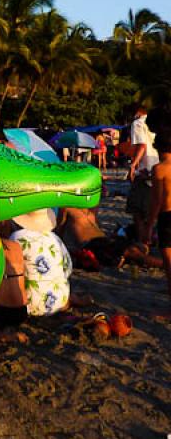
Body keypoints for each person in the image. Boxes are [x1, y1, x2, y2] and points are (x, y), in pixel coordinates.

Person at [57, 206, 162, 270]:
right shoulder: (67, 208)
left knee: (141, 247)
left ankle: (121, 258)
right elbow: (58, 234)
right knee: (132, 252)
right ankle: (165, 265)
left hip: (103, 239)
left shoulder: (90, 205)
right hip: (91, 244)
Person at [146, 130, 171, 315]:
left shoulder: (159, 169)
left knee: (169, 265)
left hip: (167, 217)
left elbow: (157, 201)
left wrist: (149, 226)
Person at [127, 105, 159, 242]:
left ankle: (143, 243)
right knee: (153, 211)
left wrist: (133, 165)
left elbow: (142, 145)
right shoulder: (156, 122)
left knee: (138, 212)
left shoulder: (138, 123)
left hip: (145, 171)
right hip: (159, 168)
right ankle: (151, 239)